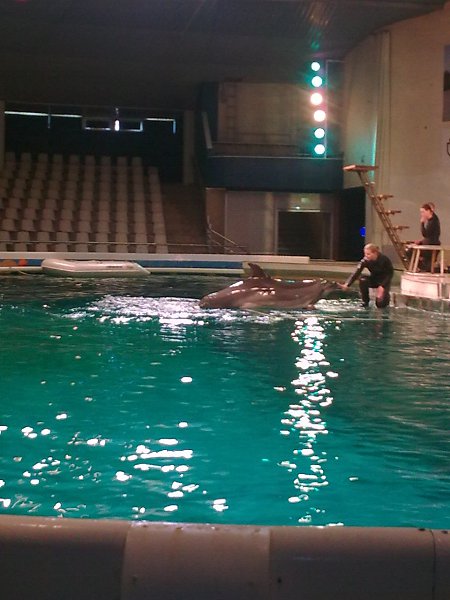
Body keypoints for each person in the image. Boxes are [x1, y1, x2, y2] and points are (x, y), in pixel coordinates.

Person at [340, 243, 394, 308]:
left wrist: (382, 286)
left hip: (384, 281)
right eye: (365, 254)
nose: (366, 256)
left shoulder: (384, 259)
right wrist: (347, 284)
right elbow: (356, 272)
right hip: (374, 279)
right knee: (363, 280)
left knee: (380, 304)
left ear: (375, 253)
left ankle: (386, 297)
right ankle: (365, 301)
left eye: (368, 254)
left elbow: (390, 274)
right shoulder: (365, 261)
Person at [415, 203, 440, 271]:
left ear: (428, 211)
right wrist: (421, 242)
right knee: (427, 265)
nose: (422, 214)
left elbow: (425, 234)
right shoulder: (432, 220)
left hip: (430, 246)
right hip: (430, 244)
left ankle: (422, 268)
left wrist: (422, 223)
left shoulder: (433, 221)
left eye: (423, 212)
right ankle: (423, 268)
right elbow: (428, 236)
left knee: (409, 252)